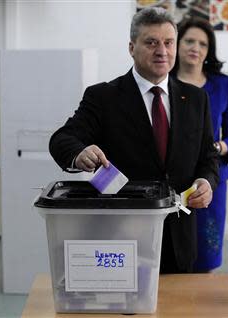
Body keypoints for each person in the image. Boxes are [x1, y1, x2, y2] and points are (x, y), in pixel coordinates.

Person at [49, 7, 219, 274]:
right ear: (132, 47)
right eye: (151, 42)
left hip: (179, 238)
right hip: (121, 236)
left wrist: (205, 182)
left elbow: (208, 159)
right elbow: (62, 138)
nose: (161, 51)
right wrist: (79, 152)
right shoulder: (103, 97)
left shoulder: (196, 99)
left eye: (168, 42)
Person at [171, 17, 228, 272]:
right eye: (189, 40)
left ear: (208, 50)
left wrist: (218, 148)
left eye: (203, 43)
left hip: (211, 180)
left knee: (206, 252)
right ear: (177, 44)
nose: (195, 47)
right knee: (170, 254)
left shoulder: (223, 85)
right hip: (170, 179)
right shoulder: (163, 81)